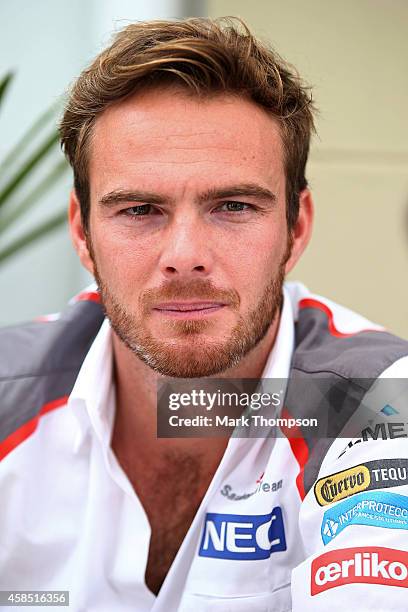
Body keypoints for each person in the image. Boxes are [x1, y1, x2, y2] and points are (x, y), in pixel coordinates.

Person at [0, 17, 407, 612]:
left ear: (295, 228)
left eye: (233, 206)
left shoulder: (376, 400)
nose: (185, 257)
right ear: (82, 232)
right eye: (140, 210)